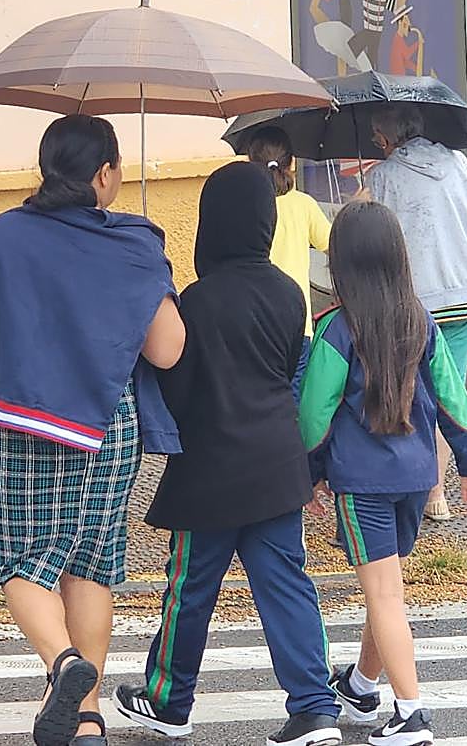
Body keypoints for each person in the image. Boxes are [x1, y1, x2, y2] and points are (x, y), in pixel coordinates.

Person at [0, 114, 186, 746]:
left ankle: (62, 663)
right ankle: (86, 719)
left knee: (23, 562)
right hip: (108, 427)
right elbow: (168, 351)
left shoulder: (5, 235)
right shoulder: (132, 243)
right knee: (92, 566)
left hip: (27, 424)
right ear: (105, 173)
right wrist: (147, 273)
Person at [114, 162, 343, 746]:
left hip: (209, 472)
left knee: (190, 590)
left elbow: (175, 381)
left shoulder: (196, 300)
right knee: (287, 585)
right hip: (277, 467)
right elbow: (289, 371)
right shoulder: (288, 294)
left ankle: (169, 700)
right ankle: (315, 707)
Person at [299, 200, 467, 746]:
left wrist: (310, 472)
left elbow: (314, 413)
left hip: (362, 483)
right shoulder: (420, 319)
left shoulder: (337, 328)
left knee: (384, 596)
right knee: (386, 588)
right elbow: (452, 394)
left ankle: (411, 714)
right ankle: (361, 685)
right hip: (415, 478)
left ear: (340, 263)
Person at [365, 103, 467, 521]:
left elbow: (374, 238)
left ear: (386, 139)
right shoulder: (458, 163)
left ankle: (406, 486)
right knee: (450, 392)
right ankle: (436, 494)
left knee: (408, 393)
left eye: (376, 137)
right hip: (465, 294)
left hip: (414, 302)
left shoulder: (382, 177)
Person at [246, 127, 332, 398]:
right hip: (298, 323)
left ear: (251, 163)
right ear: (292, 162)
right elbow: (334, 245)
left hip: (256, 321)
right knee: (293, 397)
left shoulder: (248, 205)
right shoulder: (304, 204)